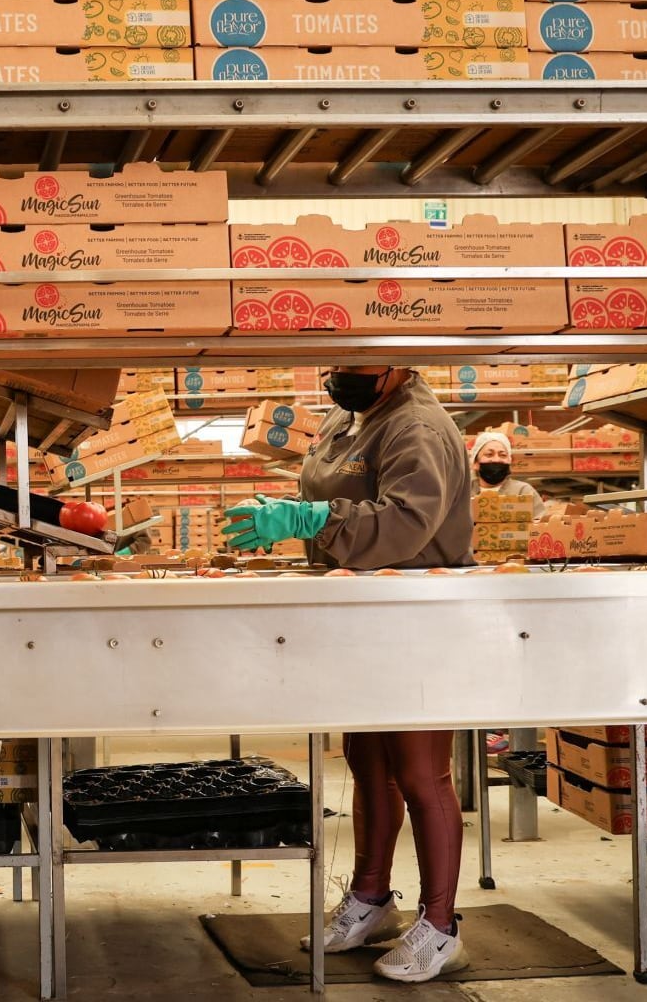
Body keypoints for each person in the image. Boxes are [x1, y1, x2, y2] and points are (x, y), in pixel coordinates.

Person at [221, 366, 473, 984]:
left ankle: (440, 926)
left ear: (397, 364)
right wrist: (291, 514)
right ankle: (371, 899)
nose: (341, 377)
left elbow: (406, 525)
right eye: (334, 365)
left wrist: (310, 522)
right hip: (362, 611)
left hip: (415, 615)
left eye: (356, 367)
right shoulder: (348, 416)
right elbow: (332, 492)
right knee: (368, 763)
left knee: (420, 769)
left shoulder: (417, 426)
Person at [469, 430, 546, 520]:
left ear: (509, 461)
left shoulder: (523, 492)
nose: (496, 460)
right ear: (475, 463)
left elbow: (540, 526)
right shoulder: (464, 493)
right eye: (489, 454)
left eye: (502, 455)